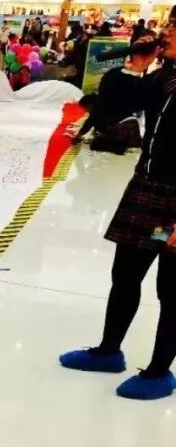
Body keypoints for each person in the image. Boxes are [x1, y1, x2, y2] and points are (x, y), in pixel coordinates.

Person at [58, 27, 176, 400]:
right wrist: (134, 65)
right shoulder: (164, 78)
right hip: (148, 190)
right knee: (125, 273)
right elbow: (113, 104)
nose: (166, 32)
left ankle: (159, 372)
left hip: (173, 207)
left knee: (170, 288)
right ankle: (109, 351)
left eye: (174, 27)